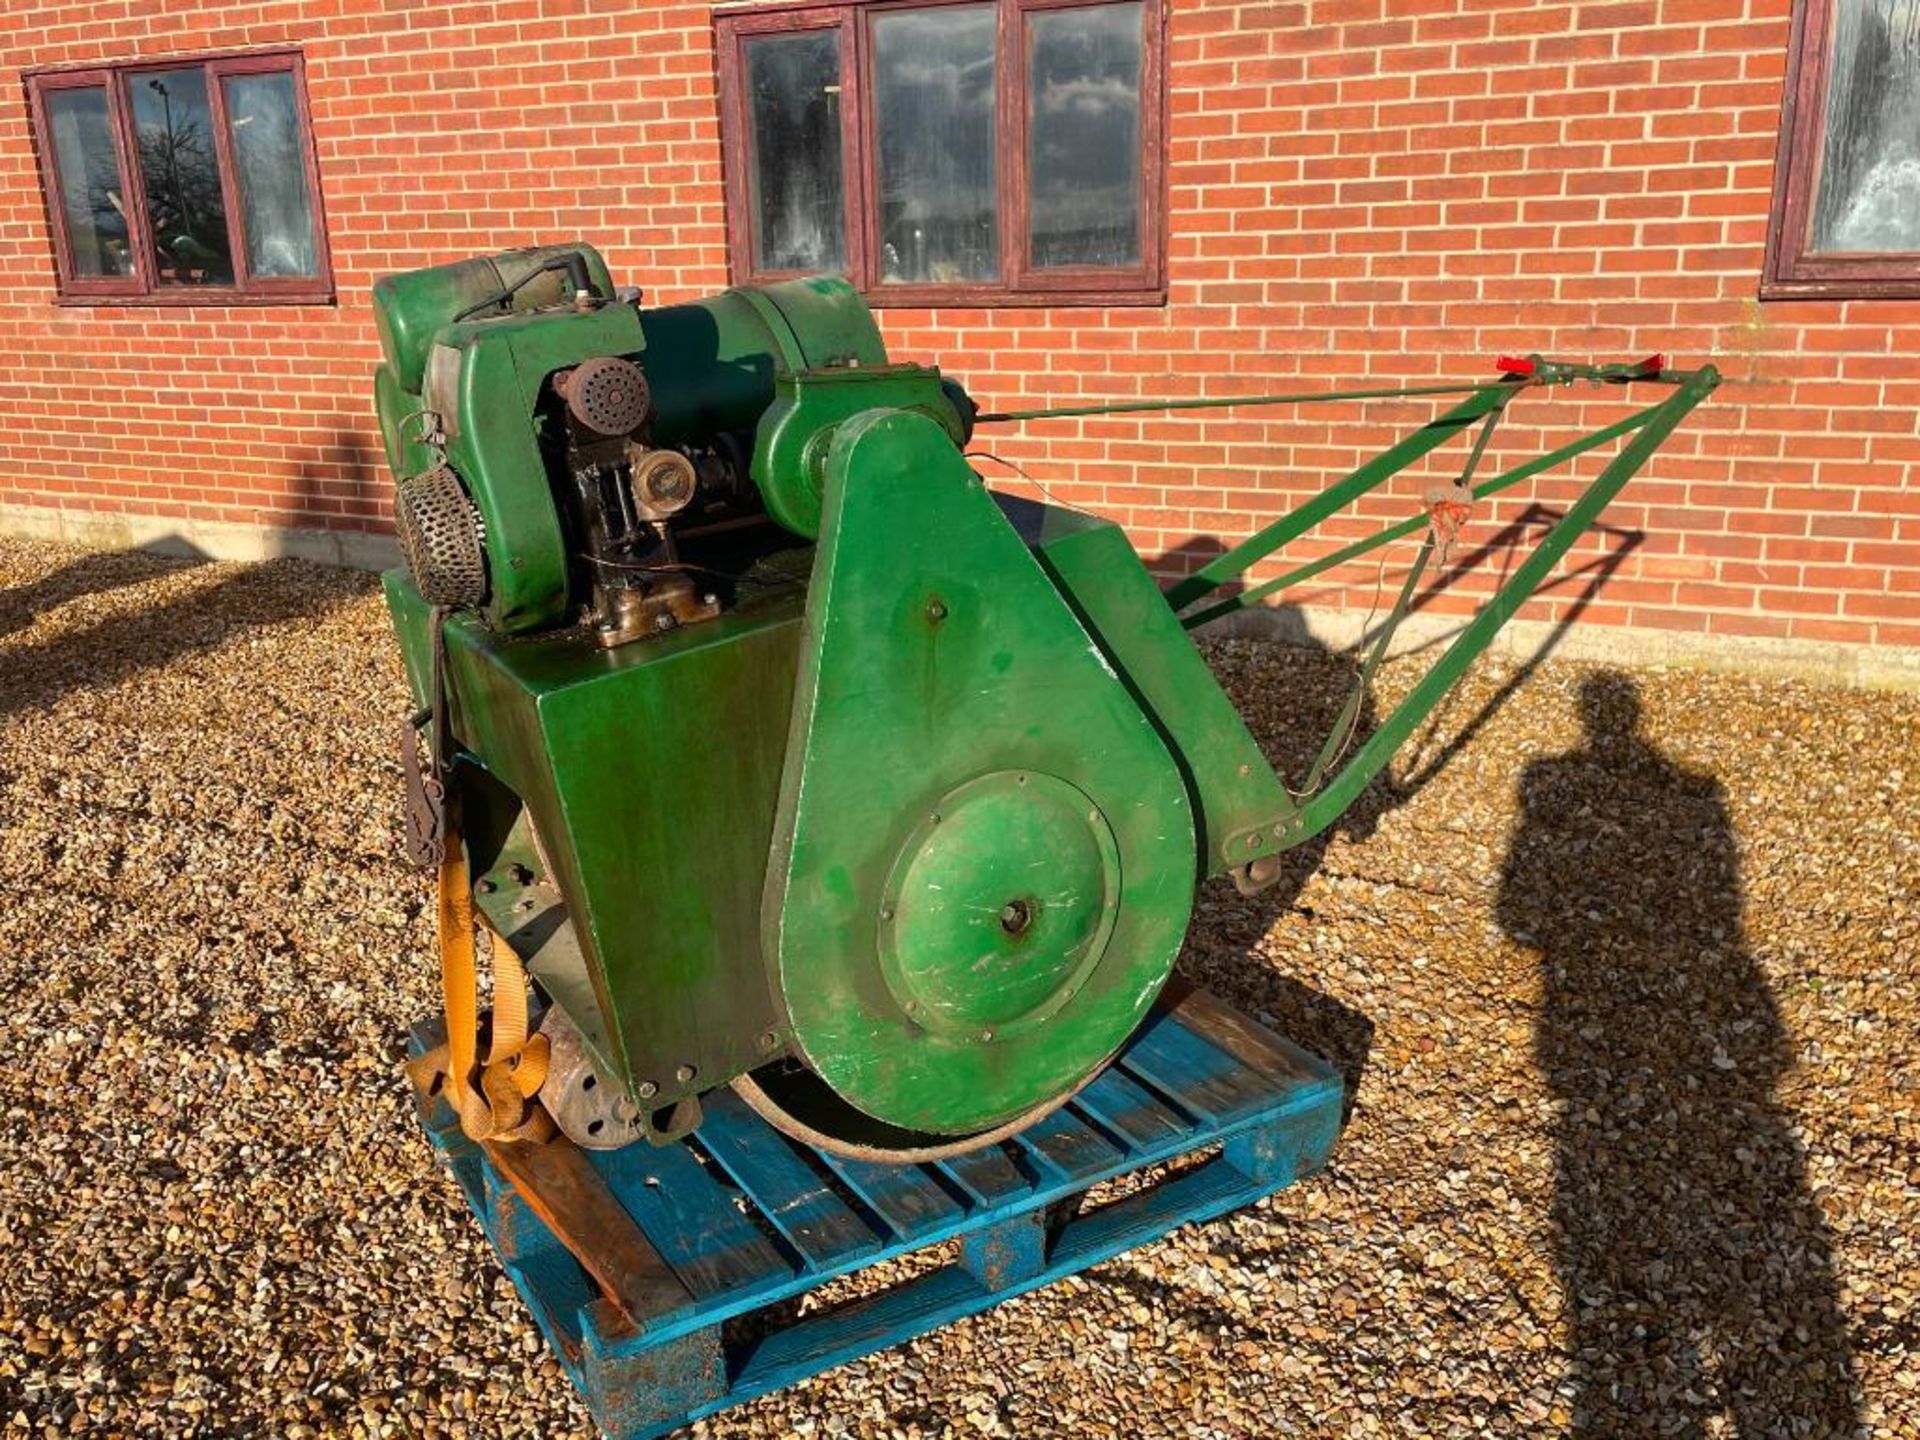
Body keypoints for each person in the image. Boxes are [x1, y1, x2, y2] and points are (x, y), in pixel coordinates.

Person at [1498, 670, 1859, 1435]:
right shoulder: (1696, 795)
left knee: (1597, 1198)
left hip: (1583, 1035)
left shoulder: (1553, 782)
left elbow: (1518, 914)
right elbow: (1718, 907)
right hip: (1701, 1032)